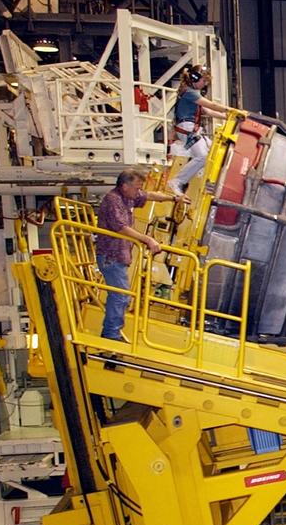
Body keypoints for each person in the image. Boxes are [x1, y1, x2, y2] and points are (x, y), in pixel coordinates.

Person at [95, 168, 185, 341]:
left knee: (121, 294)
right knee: (121, 295)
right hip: (110, 255)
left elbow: (149, 195)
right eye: (137, 187)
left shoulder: (128, 197)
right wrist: (148, 240)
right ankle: (110, 334)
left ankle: (111, 331)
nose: (139, 191)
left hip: (119, 256)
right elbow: (121, 227)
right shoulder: (112, 200)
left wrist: (174, 198)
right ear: (124, 186)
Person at [168, 65, 230, 196]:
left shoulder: (191, 94)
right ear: (195, 78)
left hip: (192, 129)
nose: (205, 84)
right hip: (187, 129)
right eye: (204, 81)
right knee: (202, 156)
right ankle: (177, 181)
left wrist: (228, 117)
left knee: (213, 151)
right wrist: (230, 111)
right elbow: (211, 105)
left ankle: (205, 180)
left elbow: (208, 111)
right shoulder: (190, 93)